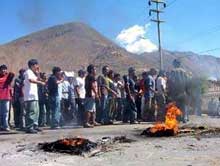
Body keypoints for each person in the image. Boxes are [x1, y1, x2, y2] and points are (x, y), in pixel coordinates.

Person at [23, 59, 45, 133]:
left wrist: (38, 72)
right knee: (31, 112)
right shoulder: (28, 72)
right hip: (29, 96)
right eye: (36, 65)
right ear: (32, 65)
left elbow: (38, 78)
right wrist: (40, 83)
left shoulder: (33, 73)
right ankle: (29, 127)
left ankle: (35, 125)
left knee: (36, 112)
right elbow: (31, 80)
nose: (37, 66)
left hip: (34, 96)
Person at [0, 64, 14, 131]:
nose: (3, 70)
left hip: (6, 97)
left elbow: (12, 74)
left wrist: (7, 73)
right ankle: (1, 126)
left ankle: (5, 126)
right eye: (2, 69)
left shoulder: (8, 77)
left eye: (5, 69)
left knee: (5, 112)